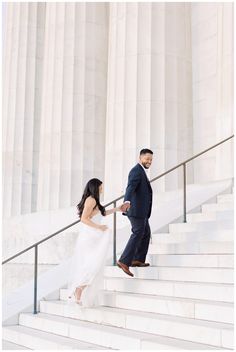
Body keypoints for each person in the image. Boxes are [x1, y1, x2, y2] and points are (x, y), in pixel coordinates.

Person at [67, 178, 125, 306]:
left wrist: (118, 209)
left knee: (94, 265)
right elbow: (83, 219)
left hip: (93, 235)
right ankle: (78, 290)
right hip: (89, 236)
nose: (102, 189)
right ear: (96, 187)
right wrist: (99, 227)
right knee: (92, 264)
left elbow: (102, 212)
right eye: (101, 187)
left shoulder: (94, 200)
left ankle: (78, 290)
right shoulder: (91, 199)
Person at [118, 149, 153, 277]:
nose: (149, 161)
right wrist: (126, 201)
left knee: (145, 233)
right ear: (140, 158)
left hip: (142, 211)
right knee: (138, 232)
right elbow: (130, 187)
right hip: (136, 210)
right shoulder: (136, 171)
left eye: (151, 159)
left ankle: (137, 259)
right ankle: (124, 261)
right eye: (147, 159)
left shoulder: (141, 171)